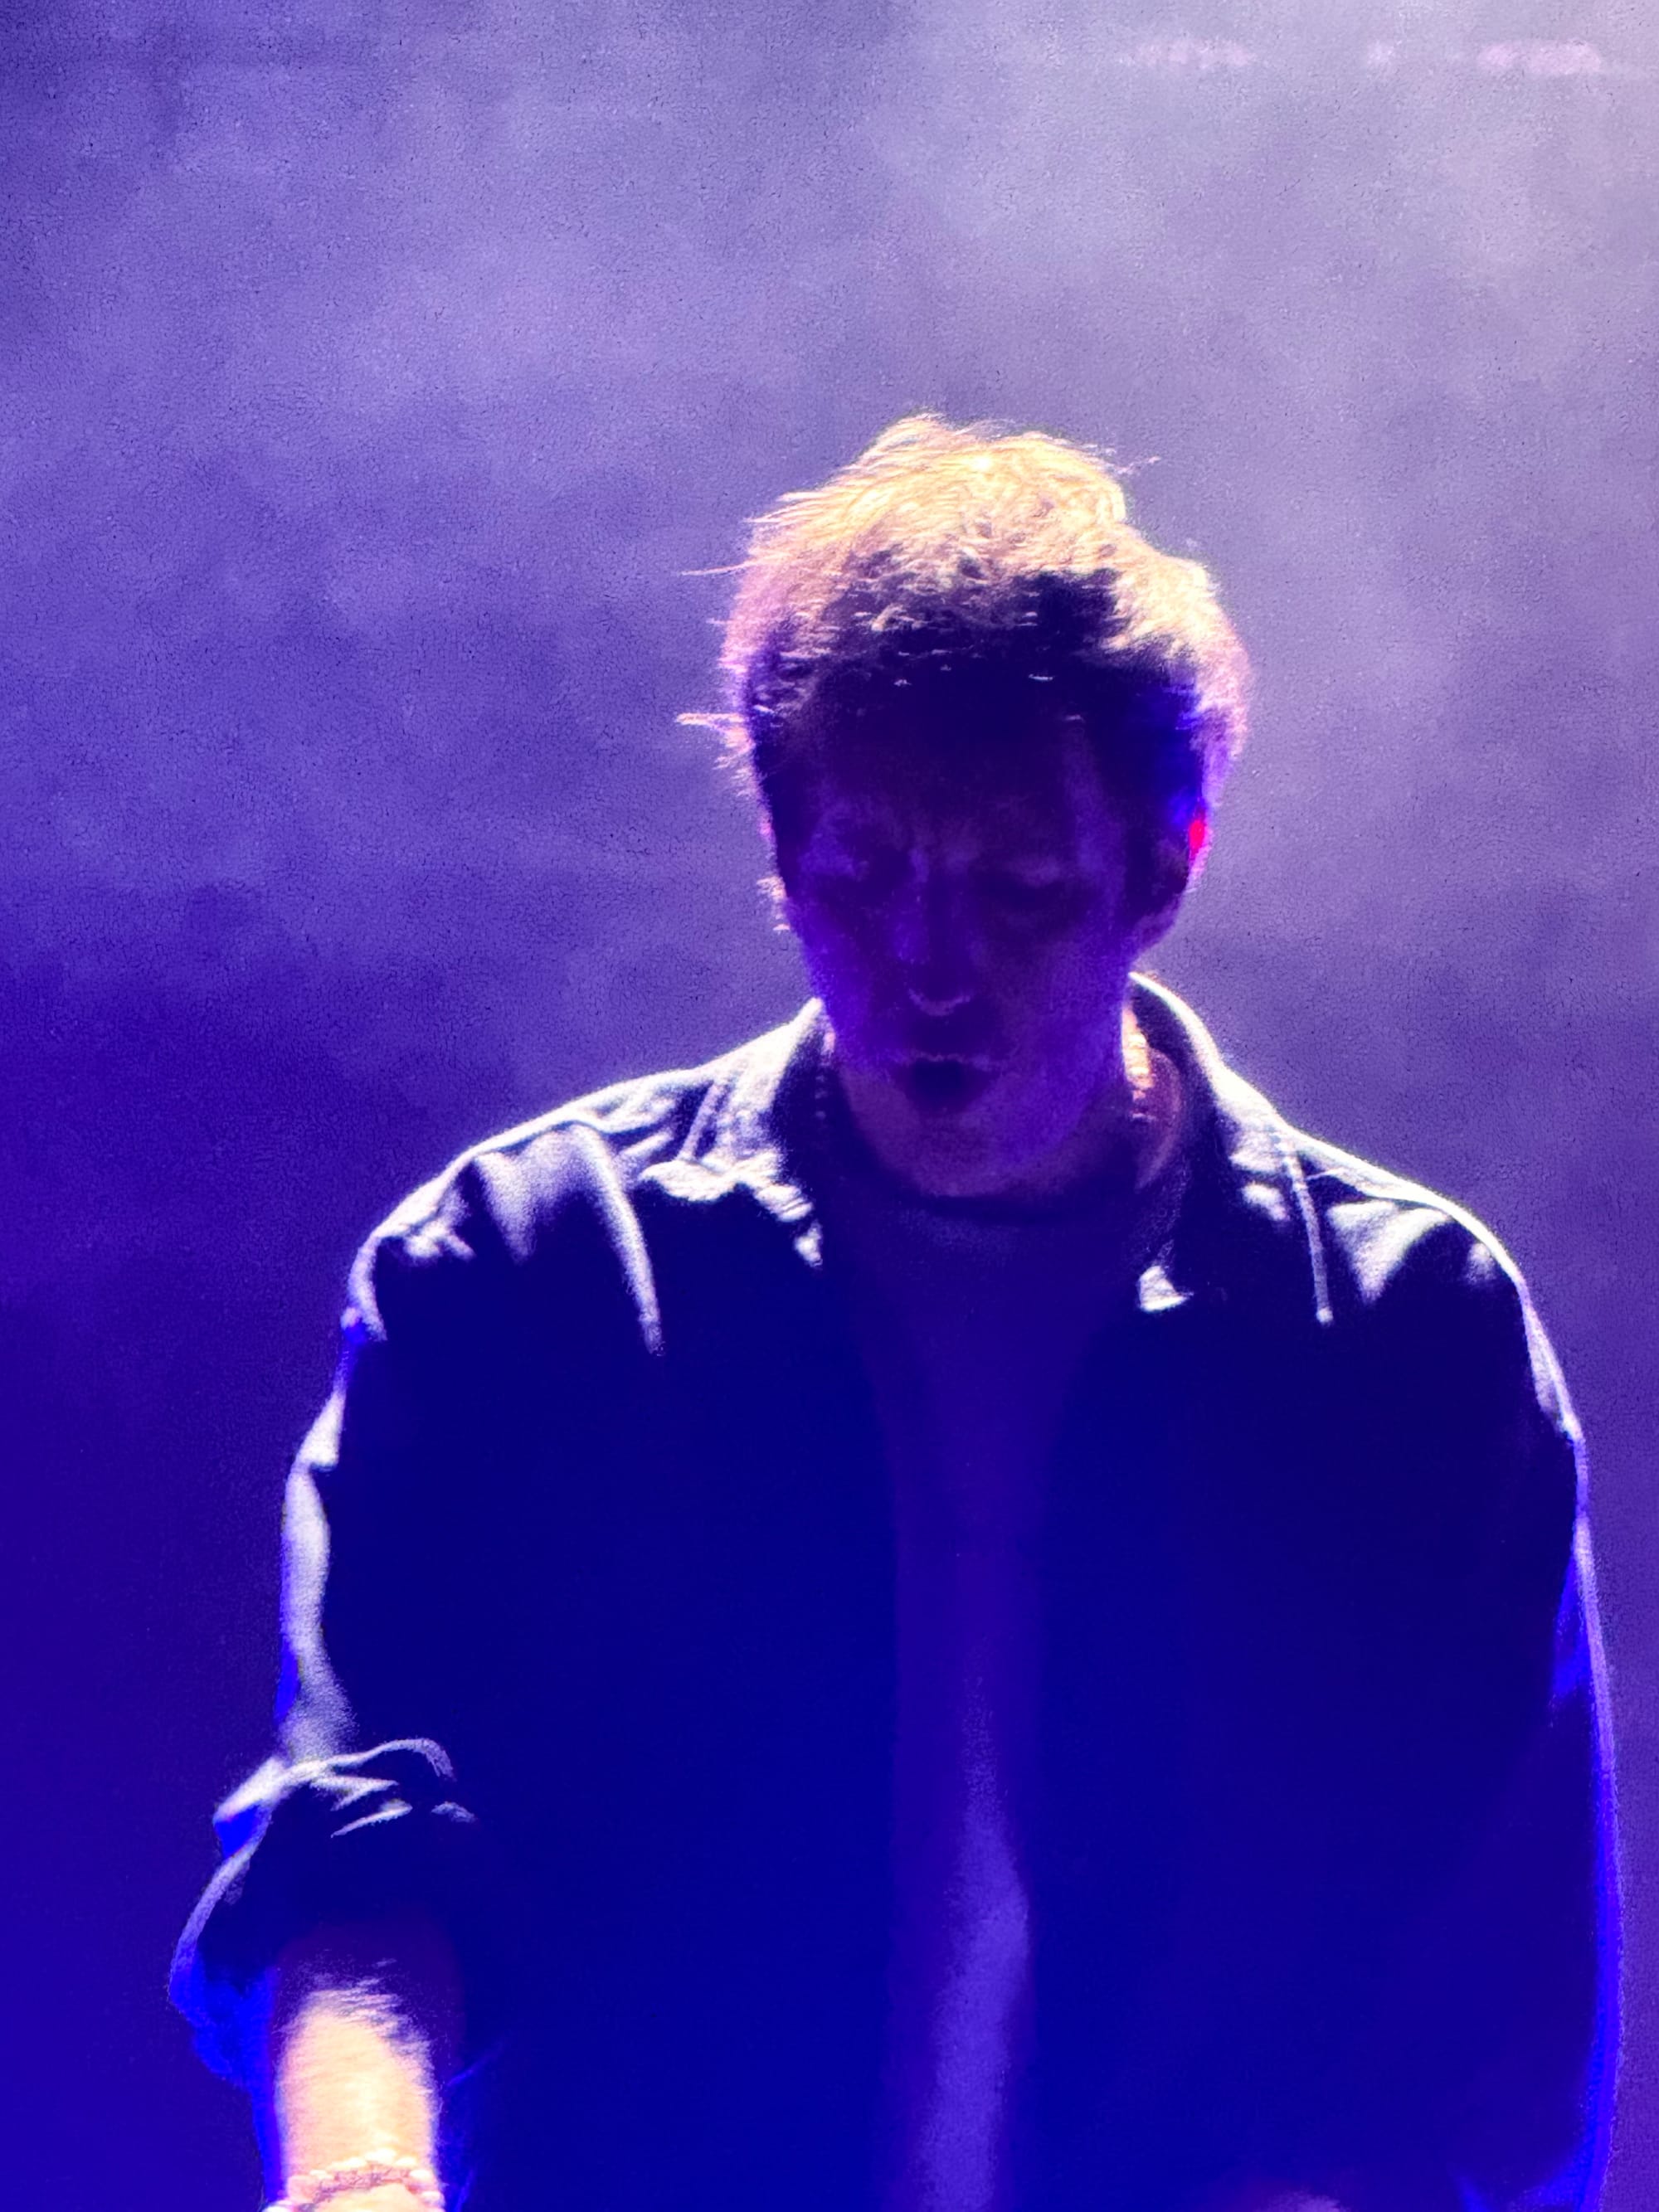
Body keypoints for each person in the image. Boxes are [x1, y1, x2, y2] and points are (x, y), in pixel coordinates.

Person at [173, 416, 1618, 2212]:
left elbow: (1483, 2011)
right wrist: (363, 2180)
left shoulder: (1405, 1341)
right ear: (781, 857)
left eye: (1019, 889)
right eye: (864, 879)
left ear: (1163, 867)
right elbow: (357, 1839)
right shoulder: (522, 1270)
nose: (932, 966)